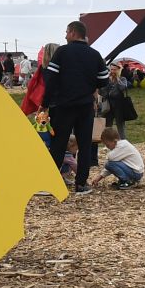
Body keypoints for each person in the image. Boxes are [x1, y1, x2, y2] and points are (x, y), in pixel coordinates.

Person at [44, 21, 109, 193]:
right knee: (85, 144)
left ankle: (50, 183)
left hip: (64, 105)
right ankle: (81, 183)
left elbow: (50, 79)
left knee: (58, 143)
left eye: (66, 32)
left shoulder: (62, 52)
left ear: (73, 33)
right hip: (86, 105)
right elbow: (104, 80)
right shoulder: (95, 54)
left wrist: (45, 104)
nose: (65, 36)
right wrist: (89, 86)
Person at [101, 64, 137, 138]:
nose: (113, 71)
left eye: (114, 69)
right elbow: (102, 92)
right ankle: (109, 141)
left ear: (118, 70)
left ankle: (123, 141)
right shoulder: (107, 80)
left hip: (119, 105)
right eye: (111, 69)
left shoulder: (122, 79)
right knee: (108, 125)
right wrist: (108, 81)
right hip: (108, 106)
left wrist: (117, 79)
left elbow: (123, 88)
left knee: (120, 125)